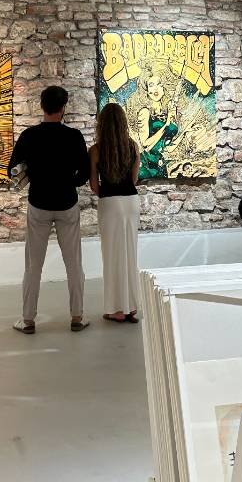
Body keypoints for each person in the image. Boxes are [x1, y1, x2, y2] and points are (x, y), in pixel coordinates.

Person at [8, 86, 90, 334]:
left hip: (39, 203)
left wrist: (36, 176)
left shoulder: (29, 136)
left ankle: (28, 319)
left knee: (33, 265)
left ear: (42, 106)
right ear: (63, 107)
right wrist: (68, 182)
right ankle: (77, 316)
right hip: (67, 203)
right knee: (73, 263)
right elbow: (84, 173)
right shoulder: (74, 136)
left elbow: (12, 169)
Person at [89, 103, 142, 323]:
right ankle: (132, 307)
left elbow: (94, 186)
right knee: (130, 254)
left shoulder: (95, 150)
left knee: (112, 256)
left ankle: (116, 310)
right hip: (131, 202)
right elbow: (134, 179)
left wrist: (108, 191)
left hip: (110, 203)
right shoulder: (132, 146)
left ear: (101, 124)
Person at [136, 74, 178, 180]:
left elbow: (168, 143)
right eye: (151, 85)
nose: (155, 88)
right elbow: (145, 143)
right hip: (147, 164)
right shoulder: (145, 112)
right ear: (147, 90)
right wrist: (166, 126)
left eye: (159, 84)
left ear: (164, 88)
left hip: (160, 162)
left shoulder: (167, 112)